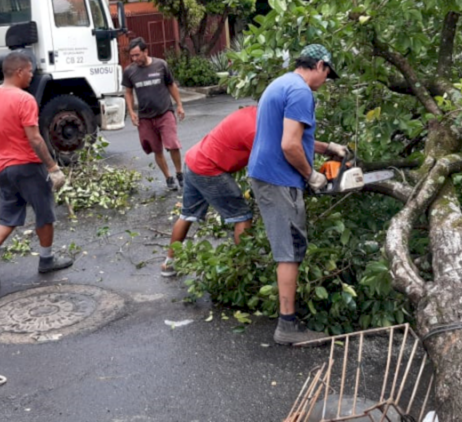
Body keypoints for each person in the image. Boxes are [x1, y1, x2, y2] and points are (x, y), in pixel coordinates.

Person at [248, 44, 347, 346]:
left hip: (266, 174)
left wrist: (327, 147)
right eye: (327, 74)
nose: (326, 81)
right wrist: (311, 175)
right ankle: (286, 326)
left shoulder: (282, 83)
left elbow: (294, 135)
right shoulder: (302, 91)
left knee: (288, 247)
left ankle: (288, 319)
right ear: (320, 65)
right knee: (290, 250)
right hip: (278, 178)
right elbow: (290, 146)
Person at [0, 51, 71, 287]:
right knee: (44, 213)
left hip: (2, 166)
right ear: (18, 72)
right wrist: (53, 167)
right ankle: (46, 260)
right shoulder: (24, 99)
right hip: (27, 166)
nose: (31, 76)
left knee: (9, 216)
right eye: (29, 71)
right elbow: (35, 139)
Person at [160, 105, 257, 277]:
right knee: (242, 215)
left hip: (194, 160)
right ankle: (243, 269)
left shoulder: (251, 112)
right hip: (209, 170)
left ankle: (169, 263)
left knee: (187, 214)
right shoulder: (255, 131)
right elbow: (268, 162)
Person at [122, 37, 186, 191]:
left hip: (165, 112)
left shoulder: (160, 65)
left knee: (172, 145)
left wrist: (179, 105)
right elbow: (128, 92)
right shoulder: (130, 71)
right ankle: (168, 178)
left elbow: (171, 85)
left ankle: (179, 174)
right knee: (156, 149)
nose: (135, 59)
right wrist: (131, 112)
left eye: (137, 55)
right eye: (132, 56)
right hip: (145, 117)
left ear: (145, 51)